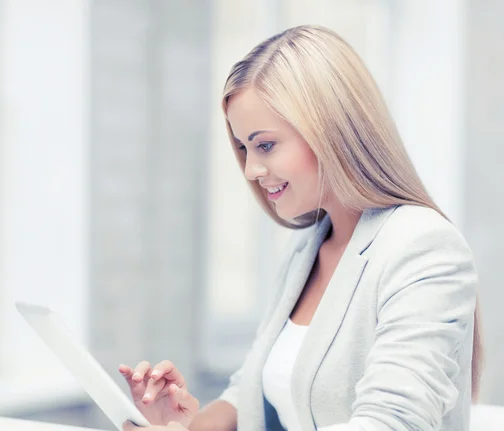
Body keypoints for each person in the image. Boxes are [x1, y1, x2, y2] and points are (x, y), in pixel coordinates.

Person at [119, 25, 483, 431]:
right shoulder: (306, 249)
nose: (252, 170)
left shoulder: (422, 246)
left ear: (330, 130)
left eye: (266, 145)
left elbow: (393, 422)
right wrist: (183, 427)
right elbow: (251, 390)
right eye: (243, 148)